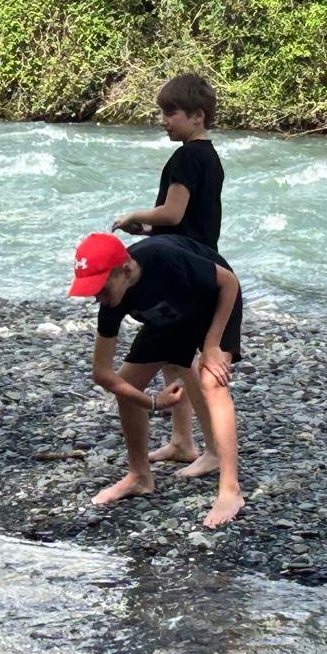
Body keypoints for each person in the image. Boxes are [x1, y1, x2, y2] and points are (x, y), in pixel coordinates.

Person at [69, 231, 244, 530]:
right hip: (172, 314)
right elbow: (102, 373)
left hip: (215, 302)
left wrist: (212, 345)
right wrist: (151, 402)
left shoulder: (164, 258)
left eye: (100, 287)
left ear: (126, 270)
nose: (97, 297)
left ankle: (230, 490)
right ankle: (139, 476)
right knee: (127, 384)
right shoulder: (112, 301)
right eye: (91, 290)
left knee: (212, 380)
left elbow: (228, 282)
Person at [111, 73, 226, 474]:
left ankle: (215, 450)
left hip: (182, 275)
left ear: (197, 116)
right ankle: (182, 442)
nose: (164, 121)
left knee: (175, 361)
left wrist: (134, 215)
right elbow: (189, 222)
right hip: (196, 261)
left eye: (171, 113)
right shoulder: (209, 156)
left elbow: (173, 213)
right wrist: (147, 231)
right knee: (175, 362)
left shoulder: (185, 157)